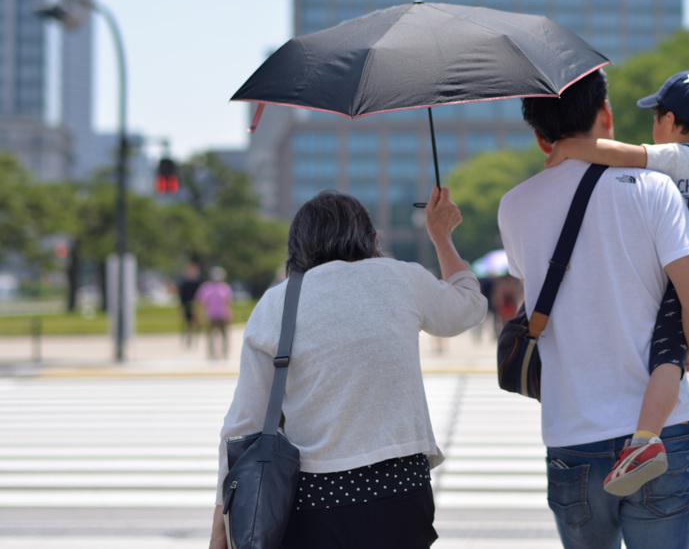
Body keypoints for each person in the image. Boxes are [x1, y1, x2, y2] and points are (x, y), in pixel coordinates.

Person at [498, 69, 689, 549]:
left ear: (540, 139)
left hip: (572, 435)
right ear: (607, 115)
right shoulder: (654, 190)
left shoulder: (513, 207)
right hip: (664, 435)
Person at [208, 187, 486, 549]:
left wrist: (220, 524)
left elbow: (243, 425)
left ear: (297, 246)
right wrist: (441, 237)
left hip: (316, 500)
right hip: (401, 493)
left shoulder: (277, 303)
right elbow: (469, 305)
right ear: (371, 238)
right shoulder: (402, 277)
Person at [545, 69, 689, 496]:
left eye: (655, 116)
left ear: (668, 120)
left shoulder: (675, 158)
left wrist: (566, 146)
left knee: (665, 359)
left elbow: (618, 154)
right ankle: (688, 361)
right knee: (680, 352)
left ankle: (644, 441)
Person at [195, 266, 234, 360]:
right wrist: (199, 314)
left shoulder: (224, 287)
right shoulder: (206, 287)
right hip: (211, 315)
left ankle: (224, 353)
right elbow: (200, 301)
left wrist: (230, 313)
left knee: (224, 335)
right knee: (210, 336)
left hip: (222, 314)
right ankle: (211, 354)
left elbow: (228, 302)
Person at [177, 260, 202, 347]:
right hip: (187, 304)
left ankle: (194, 339)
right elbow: (181, 295)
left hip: (195, 304)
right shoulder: (184, 282)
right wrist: (182, 307)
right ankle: (188, 338)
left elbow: (200, 294)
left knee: (196, 322)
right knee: (187, 322)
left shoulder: (197, 282)